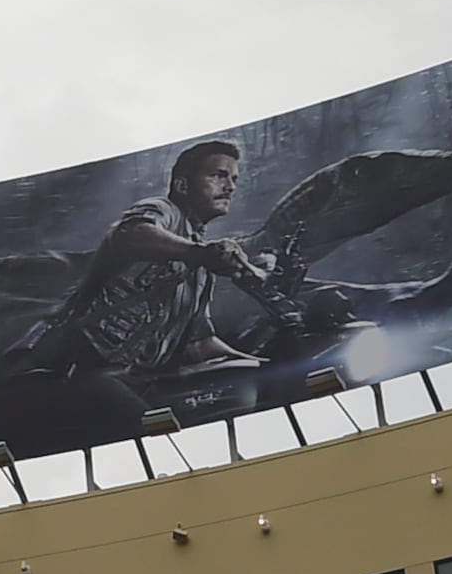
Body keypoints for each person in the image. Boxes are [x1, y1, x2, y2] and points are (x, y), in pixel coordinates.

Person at [16, 139, 280, 394]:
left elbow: (200, 344)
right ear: (182, 185)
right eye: (218, 176)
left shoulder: (201, 268)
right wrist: (200, 253)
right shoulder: (163, 210)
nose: (230, 187)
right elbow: (131, 234)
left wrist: (262, 366)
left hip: (137, 380)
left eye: (233, 179)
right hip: (84, 370)